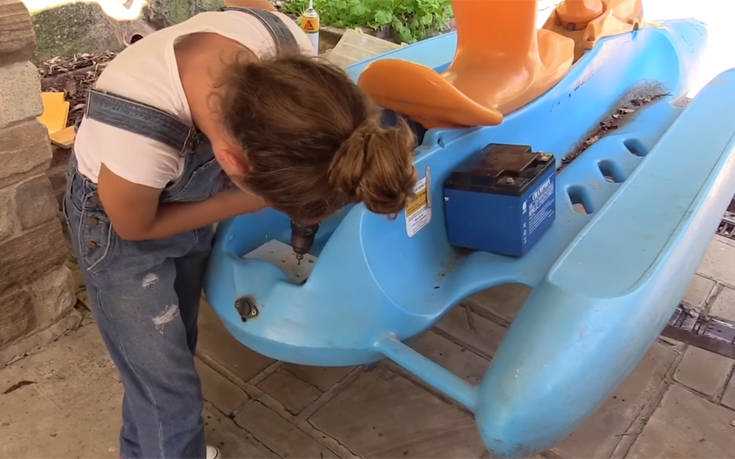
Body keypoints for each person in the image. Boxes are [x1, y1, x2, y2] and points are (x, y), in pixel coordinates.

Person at [63, 2, 417, 458]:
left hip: (184, 198)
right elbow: (134, 226)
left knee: (174, 342)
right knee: (166, 391)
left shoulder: (283, 43)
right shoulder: (139, 138)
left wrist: (248, 198)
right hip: (117, 229)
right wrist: (247, 202)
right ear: (230, 163)